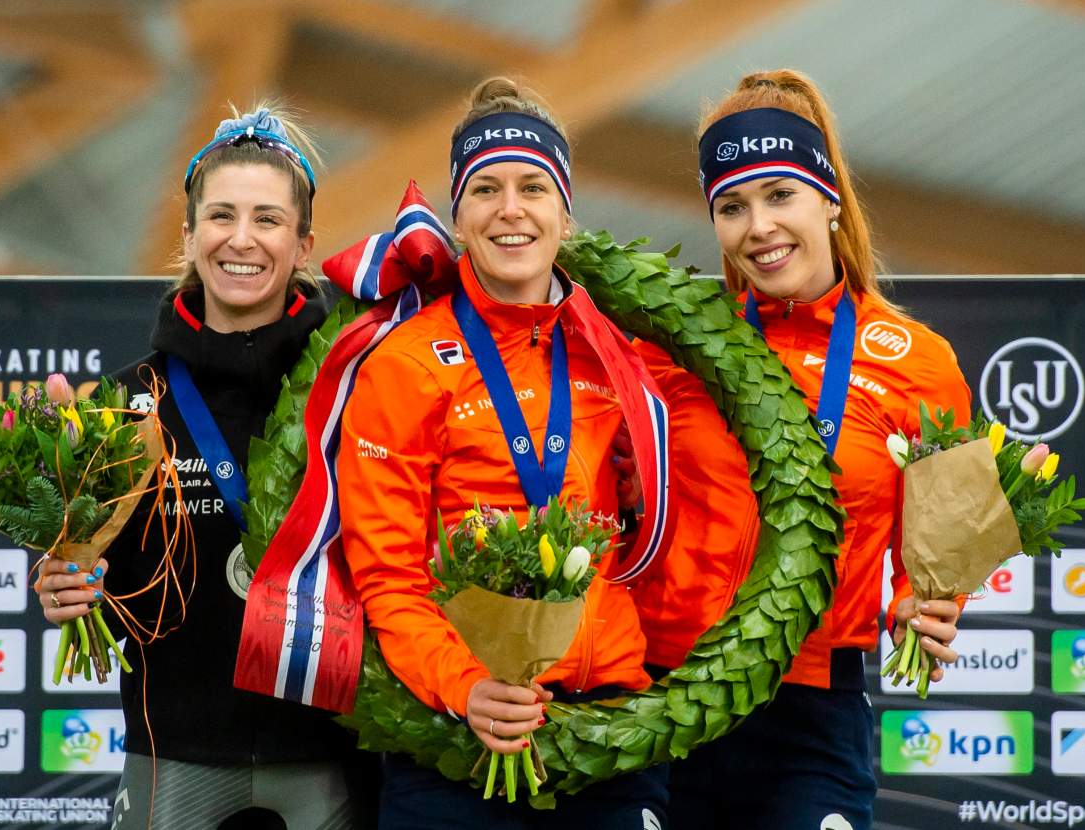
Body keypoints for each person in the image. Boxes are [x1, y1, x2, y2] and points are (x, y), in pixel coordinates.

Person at [634, 69, 969, 830]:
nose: (758, 227)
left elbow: (944, 555)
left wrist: (933, 605)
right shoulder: (671, 346)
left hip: (816, 709)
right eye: (732, 206)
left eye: (780, 195)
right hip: (671, 700)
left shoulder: (921, 363)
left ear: (829, 197)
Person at [336, 77, 671, 829]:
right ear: (458, 215)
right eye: (485, 189)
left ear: (565, 211)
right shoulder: (406, 362)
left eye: (533, 186)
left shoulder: (617, 352)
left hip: (609, 725)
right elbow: (386, 574)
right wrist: (464, 687)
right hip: (454, 731)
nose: (510, 209)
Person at [34, 104, 376, 830]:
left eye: (268, 219)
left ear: (304, 243)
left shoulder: (353, 390)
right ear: (189, 236)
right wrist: (68, 577)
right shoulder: (127, 403)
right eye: (221, 216)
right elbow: (94, 564)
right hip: (174, 752)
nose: (241, 239)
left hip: (329, 752)